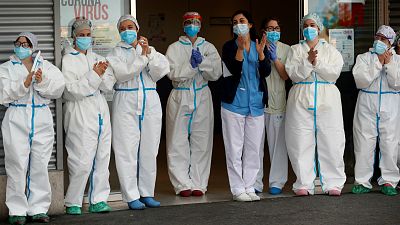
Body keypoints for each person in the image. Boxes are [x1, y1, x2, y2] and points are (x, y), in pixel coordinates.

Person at [0, 32, 65, 225]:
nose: (22, 46)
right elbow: (2, 94)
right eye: (18, 43)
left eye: (26, 44)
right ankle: (17, 210)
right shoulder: (5, 68)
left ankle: (38, 208)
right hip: (16, 117)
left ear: (33, 46)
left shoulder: (46, 67)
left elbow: (58, 89)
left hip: (42, 117)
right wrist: (25, 83)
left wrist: (42, 81)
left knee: (40, 164)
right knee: (16, 165)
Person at [107, 15, 170, 209]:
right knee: (126, 150)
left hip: (150, 100)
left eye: (131, 27)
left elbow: (162, 70)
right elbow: (124, 73)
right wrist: (142, 59)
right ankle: (131, 195)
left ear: (137, 28)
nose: (127, 30)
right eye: (123, 28)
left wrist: (148, 53)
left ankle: (146, 192)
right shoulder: (114, 53)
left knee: (149, 149)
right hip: (126, 101)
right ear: (119, 32)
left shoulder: (149, 50)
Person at [285, 13, 345, 196]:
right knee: (300, 140)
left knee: (331, 140)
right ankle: (303, 182)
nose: (309, 28)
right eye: (306, 25)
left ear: (319, 28)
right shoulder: (295, 50)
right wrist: (307, 62)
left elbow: (334, 73)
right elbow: (293, 73)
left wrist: (315, 62)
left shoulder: (331, 50)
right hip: (300, 98)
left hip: (328, 99)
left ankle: (333, 182)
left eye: (312, 25)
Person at [62, 17, 116, 215]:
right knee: (81, 159)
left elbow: (109, 84)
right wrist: (94, 75)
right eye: (81, 35)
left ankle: (98, 199)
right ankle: (73, 201)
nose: (85, 38)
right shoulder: (68, 59)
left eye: (88, 34)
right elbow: (70, 90)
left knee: (102, 157)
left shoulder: (96, 57)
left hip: (100, 110)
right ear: (74, 37)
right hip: (79, 111)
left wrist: (100, 74)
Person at [165, 12, 222, 197]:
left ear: (201, 24)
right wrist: (191, 66)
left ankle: (199, 183)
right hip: (180, 95)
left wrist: (203, 62)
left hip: (202, 94)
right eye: (189, 22)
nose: (192, 25)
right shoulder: (173, 48)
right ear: (183, 25)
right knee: (177, 140)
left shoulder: (208, 47)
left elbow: (216, 73)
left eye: (196, 22)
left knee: (202, 141)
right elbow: (172, 74)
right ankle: (182, 184)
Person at [221, 10, 271, 202]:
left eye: (242, 21)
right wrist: (240, 50)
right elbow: (233, 70)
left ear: (250, 24)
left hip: (256, 104)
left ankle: (249, 185)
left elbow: (265, 72)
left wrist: (260, 55)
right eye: (235, 22)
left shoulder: (259, 45)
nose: (238, 24)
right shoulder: (228, 47)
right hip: (233, 104)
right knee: (234, 149)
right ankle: (237, 188)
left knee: (253, 149)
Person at [352, 25, 400, 196]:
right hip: (367, 104)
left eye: (384, 39)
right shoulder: (364, 58)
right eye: (377, 37)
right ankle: (362, 181)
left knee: (390, 143)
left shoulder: (398, 60)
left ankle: (389, 181)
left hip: (390, 106)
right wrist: (378, 63)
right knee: (364, 143)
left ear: (390, 43)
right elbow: (361, 80)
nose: (379, 41)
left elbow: (397, 83)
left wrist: (388, 65)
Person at [254, 18, 291, 195]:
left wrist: (275, 59)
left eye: (277, 28)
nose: (274, 31)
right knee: (255, 145)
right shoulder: (255, 46)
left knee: (278, 146)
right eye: (270, 28)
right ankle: (255, 182)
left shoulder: (286, 49)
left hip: (278, 102)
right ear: (263, 31)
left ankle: (277, 181)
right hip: (258, 102)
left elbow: (285, 75)